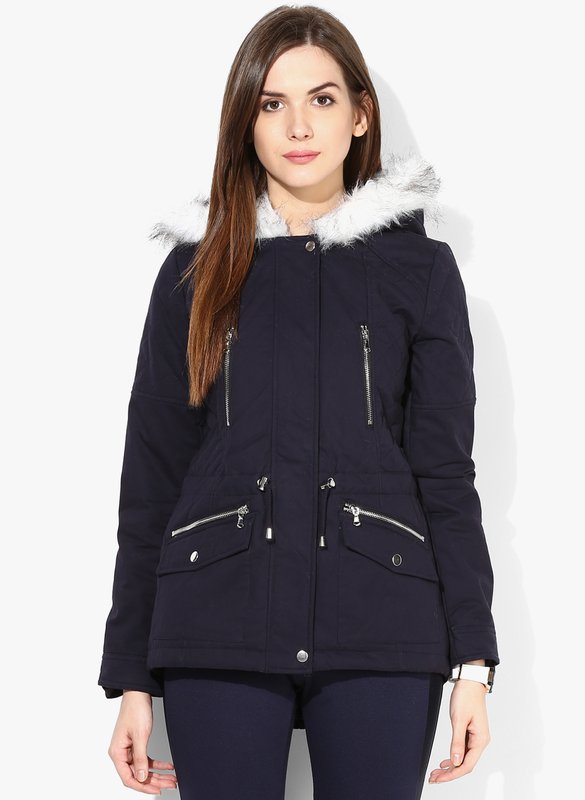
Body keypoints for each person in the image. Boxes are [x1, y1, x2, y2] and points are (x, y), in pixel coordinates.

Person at [98, 5, 500, 799]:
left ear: (360, 114)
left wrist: (473, 663)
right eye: (271, 103)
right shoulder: (192, 272)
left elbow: (446, 474)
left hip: (381, 617)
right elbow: (150, 478)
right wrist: (130, 676)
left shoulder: (418, 271)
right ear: (244, 121)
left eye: (321, 99)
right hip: (217, 618)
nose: (297, 126)